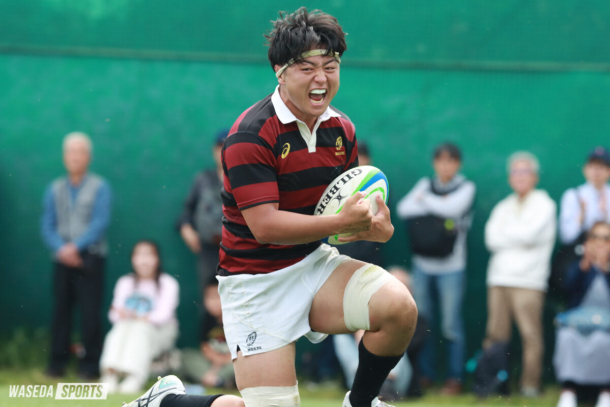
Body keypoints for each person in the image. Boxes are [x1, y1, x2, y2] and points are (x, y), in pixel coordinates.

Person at [127, 8, 417, 407]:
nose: (321, 78)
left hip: (313, 266)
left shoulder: (342, 130)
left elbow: (337, 219)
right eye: (307, 68)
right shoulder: (249, 134)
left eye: (330, 66)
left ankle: (362, 402)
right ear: (279, 71)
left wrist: (373, 227)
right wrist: (340, 220)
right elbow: (265, 226)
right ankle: (167, 401)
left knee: (399, 307)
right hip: (254, 285)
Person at [396, 142, 475, 394]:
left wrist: (425, 200)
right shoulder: (424, 183)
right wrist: (438, 203)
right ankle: (425, 375)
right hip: (422, 266)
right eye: (440, 160)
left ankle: (455, 378)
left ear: (458, 164)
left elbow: (453, 209)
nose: (445, 166)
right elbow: (403, 208)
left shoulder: (467, 187)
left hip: (452, 268)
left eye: (450, 160)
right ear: (434, 163)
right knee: (422, 322)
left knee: (451, 325)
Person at [483, 152, 556, 398]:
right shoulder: (503, 206)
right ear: (510, 177)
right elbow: (491, 238)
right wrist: (519, 236)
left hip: (529, 282)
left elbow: (530, 235)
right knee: (495, 336)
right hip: (498, 279)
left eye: (525, 171)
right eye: (515, 172)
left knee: (530, 336)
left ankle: (529, 386)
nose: (520, 176)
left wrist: (509, 234)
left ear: (535, 177)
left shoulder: (545, 204)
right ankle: (494, 384)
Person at [40, 132, 112, 379]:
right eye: (71, 152)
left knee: (90, 313)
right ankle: (56, 364)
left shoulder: (101, 187)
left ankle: (90, 366)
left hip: (91, 259)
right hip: (62, 260)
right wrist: (62, 248)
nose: (75, 157)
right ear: (64, 157)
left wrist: (76, 246)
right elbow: (47, 224)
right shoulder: (54, 188)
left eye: (80, 152)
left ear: (88, 157)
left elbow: (100, 222)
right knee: (61, 312)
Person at [100, 241, 180, 394]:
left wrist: (135, 316)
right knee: (120, 327)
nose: (144, 260)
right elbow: (114, 315)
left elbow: (162, 317)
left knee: (140, 328)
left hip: (160, 333)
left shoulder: (168, 283)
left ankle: (134, 377)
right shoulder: (125, 282)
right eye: (139, 255)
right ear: (132, 259)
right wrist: (127, 316)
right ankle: (110, 374)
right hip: (127, 329)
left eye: (149, 255)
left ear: (157, 259)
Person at [334, 267, 413, 401]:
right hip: (361, 373)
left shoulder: (416, 318)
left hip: (397, 381)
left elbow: (411, 348)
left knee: (396, 340)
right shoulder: (368, 314)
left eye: (400, 287)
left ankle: (385, 386)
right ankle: (366, 386)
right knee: (341, 337)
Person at [554, 222, 610, 407]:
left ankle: (606, 393)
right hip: (578, 323)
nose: (600, 243)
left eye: (606, 238)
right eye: (595, 237)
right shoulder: (578, 263)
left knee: (602, 340)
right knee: (567, 337)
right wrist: (584, 266)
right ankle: (568, 391)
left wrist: (605, 268)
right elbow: (566, 288)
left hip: (606, 326)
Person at [177, 130, 227, 288]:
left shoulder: (244, 178)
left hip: (239, 250)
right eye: (219, 148)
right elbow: (187, 210)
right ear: (213, 151)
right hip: (207, 250)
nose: (223, 152)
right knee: (209, 292)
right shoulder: (203, 179)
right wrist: (186, 229)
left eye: (228, 147)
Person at [179, 278, 235, 389]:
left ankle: (215, 379)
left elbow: (239, 351)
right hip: (211, 363)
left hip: (230, 362)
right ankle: (217, 381)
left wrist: (220, 363)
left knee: (242, 363)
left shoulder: (235, 319)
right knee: (187, 356)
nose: (213, 302)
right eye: (210, 297)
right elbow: (205, 348)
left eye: (218, 297)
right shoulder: (207, 320)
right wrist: (214, 366)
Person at [559, 147, 610, 245]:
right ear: (585, 169)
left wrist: (605, 215)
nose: (596, 172)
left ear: (608, 171)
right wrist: (581, 217)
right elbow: (566, 237)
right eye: (592, 166)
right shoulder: (573, 195)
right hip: (581, 250)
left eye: (601, 167)